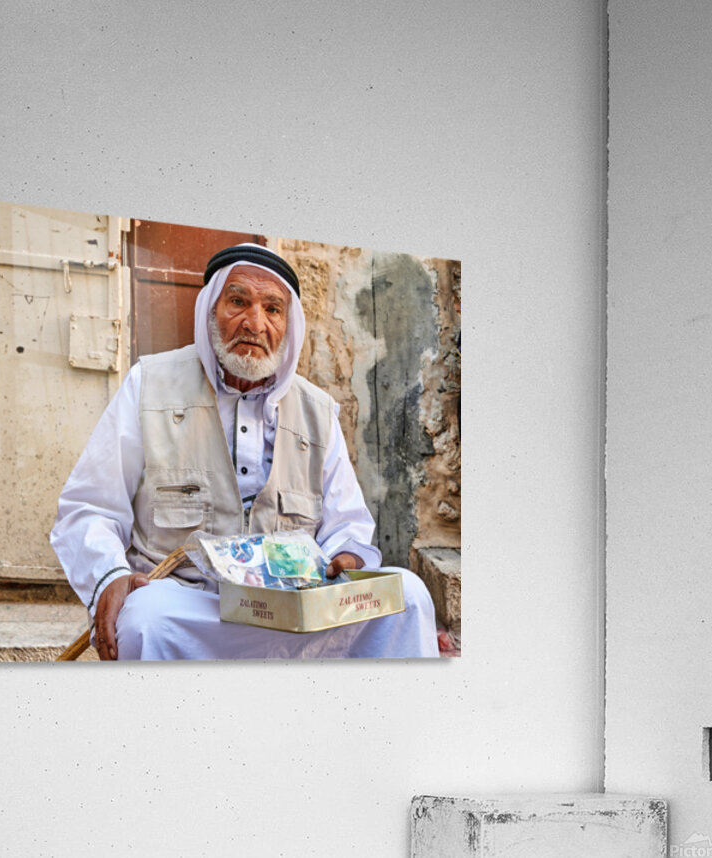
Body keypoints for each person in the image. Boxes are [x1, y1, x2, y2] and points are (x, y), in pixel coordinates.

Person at [50, 244, 438, 660]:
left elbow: (347, 525)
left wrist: (346, 556)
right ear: (210, 311)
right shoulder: (150, 386)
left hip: (293, 612)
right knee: (147, 618)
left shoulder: (318, 412)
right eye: (238, 302)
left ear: (289, 325)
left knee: (408, 596)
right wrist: (109, 576)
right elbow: (90, 508)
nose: (255, 323)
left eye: (273, 309)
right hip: (193, 607)